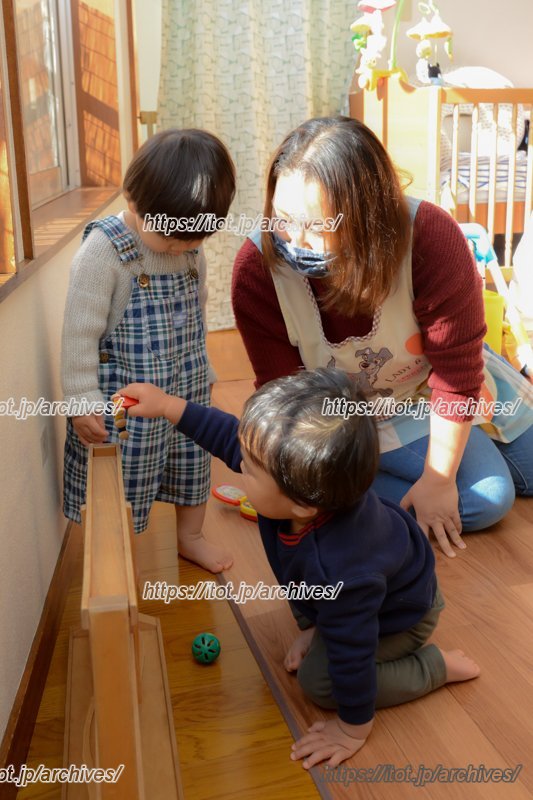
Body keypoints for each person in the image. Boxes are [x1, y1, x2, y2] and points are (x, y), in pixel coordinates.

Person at [115, 368, 480, 769]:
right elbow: (227, 437)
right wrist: (168, 406)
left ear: (304, 506)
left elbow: (353, 653)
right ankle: (317, 623)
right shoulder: (299, 491)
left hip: (401, 617)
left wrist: (351, 729)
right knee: (311, 599)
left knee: (319, 684)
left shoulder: (341, 571)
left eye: (249, 469)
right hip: (352, 592)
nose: (237, 464)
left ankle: (435, 667)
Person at [232, 116, 533, 558]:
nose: (294, 241)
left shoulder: (430, 236)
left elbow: (456, 373)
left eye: (316, 227)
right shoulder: (257, 272)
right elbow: (286, 399)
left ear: (366, 218)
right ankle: (338, 498)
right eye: (283, 219)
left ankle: (335, 500)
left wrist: (438, 477)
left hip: (434, 385)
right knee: (487, 497)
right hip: (349, 416)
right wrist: (437, 482)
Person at [61, 128, 236, 573]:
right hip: (127, 403)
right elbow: (79, 334)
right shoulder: (105, 254)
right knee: (125, 482)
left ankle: (190, 536)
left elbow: (194, 316)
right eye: (174, 239)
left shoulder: (189, 249)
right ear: (134, 202)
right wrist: (82, 400)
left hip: (187, 387)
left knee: (192, 466)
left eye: (195, 239)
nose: (183, 248)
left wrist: (204, 368)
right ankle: (117, 557)